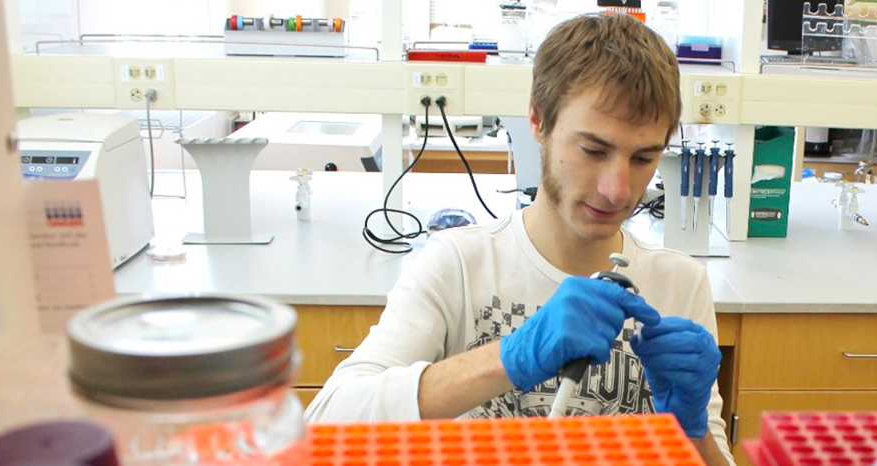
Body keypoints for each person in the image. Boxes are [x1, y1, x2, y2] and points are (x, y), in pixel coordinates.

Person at [306, 13, 733, 465]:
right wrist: (508, 358)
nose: (618, 190)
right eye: (593, 150)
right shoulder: (460, 265)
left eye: (643, 158)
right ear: (538, 119)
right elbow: (324, 427)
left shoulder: (680, 283)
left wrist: (691, 432)